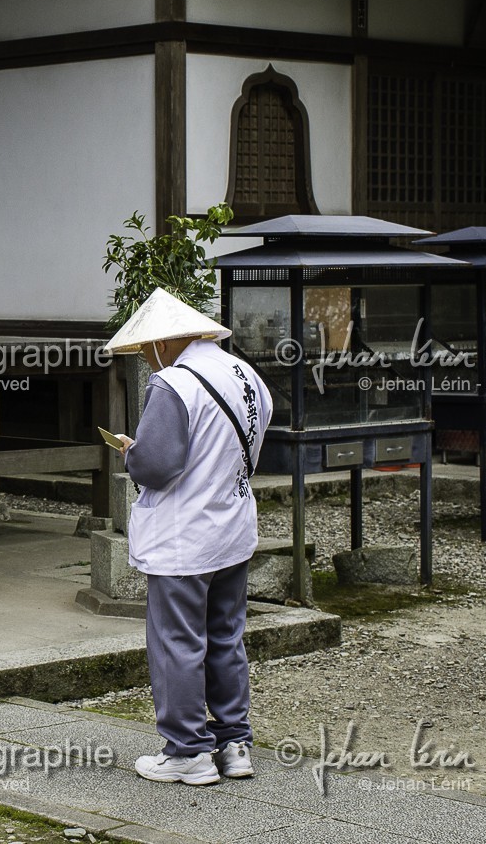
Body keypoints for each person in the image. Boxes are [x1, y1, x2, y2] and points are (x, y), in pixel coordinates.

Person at [103, 288, 273, 786]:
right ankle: (234, 743)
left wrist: (131, 452)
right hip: (233, 527)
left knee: (178, 641)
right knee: (225, 636)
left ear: (167, 340)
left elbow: (157, 467)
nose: (147, 357)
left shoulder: (175, 384)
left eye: (147, 348)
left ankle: (188, 752)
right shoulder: (246, 375)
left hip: (184, 537)